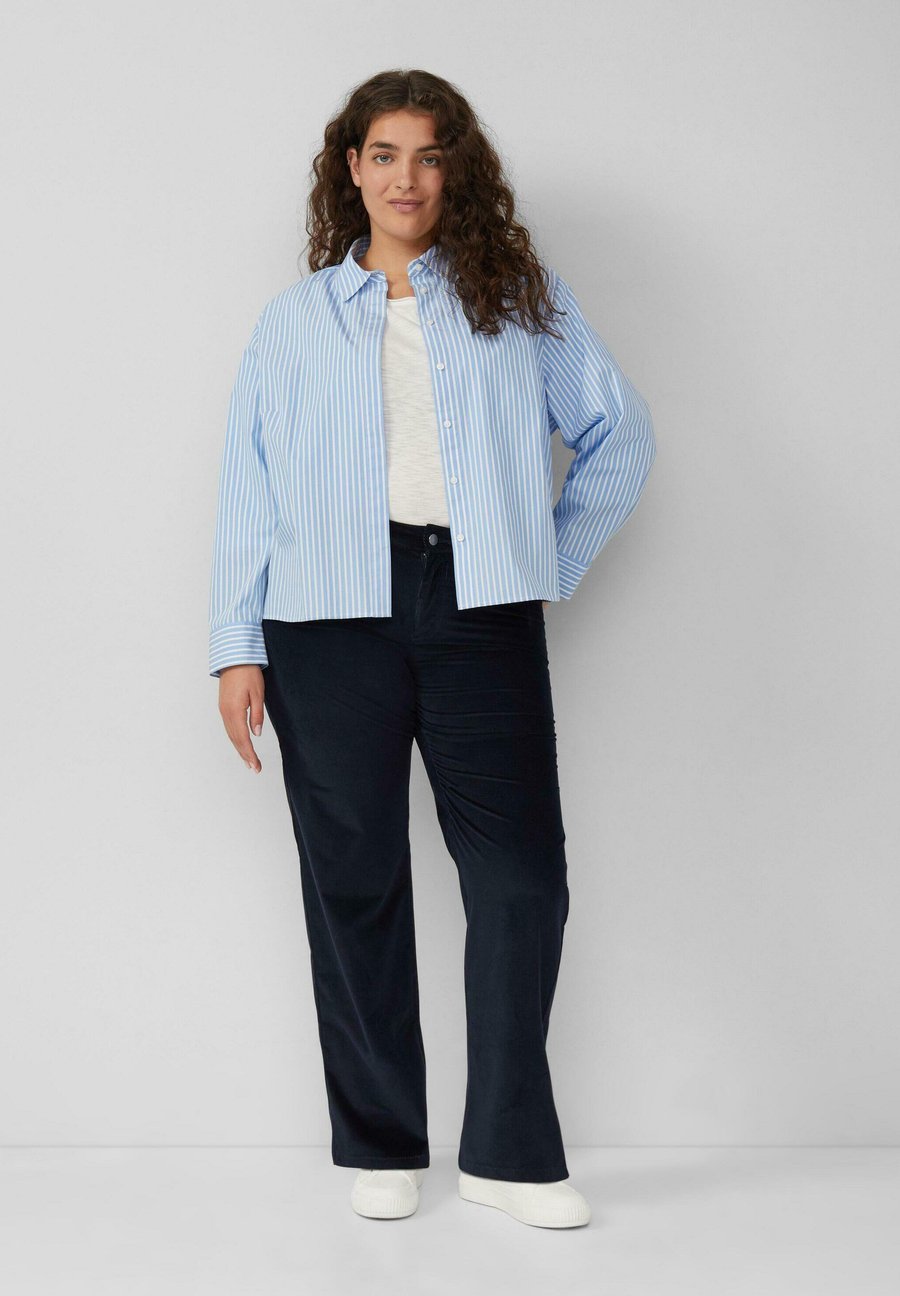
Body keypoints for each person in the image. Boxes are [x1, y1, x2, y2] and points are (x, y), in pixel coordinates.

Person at [208, 69, 656, 1229]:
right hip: (324, 620)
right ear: (350, 169)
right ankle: (381, 1142)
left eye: (430, 154)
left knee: (521, 880)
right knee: (354, 881)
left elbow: (620, 435)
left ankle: (509, 1154)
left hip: (478, 608)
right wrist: (235, 644)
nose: (406, 177)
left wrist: (542, 559)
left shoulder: (518, 298)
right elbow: (250, 486)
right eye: (385, 154)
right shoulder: (295, 320)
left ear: (457, 171)